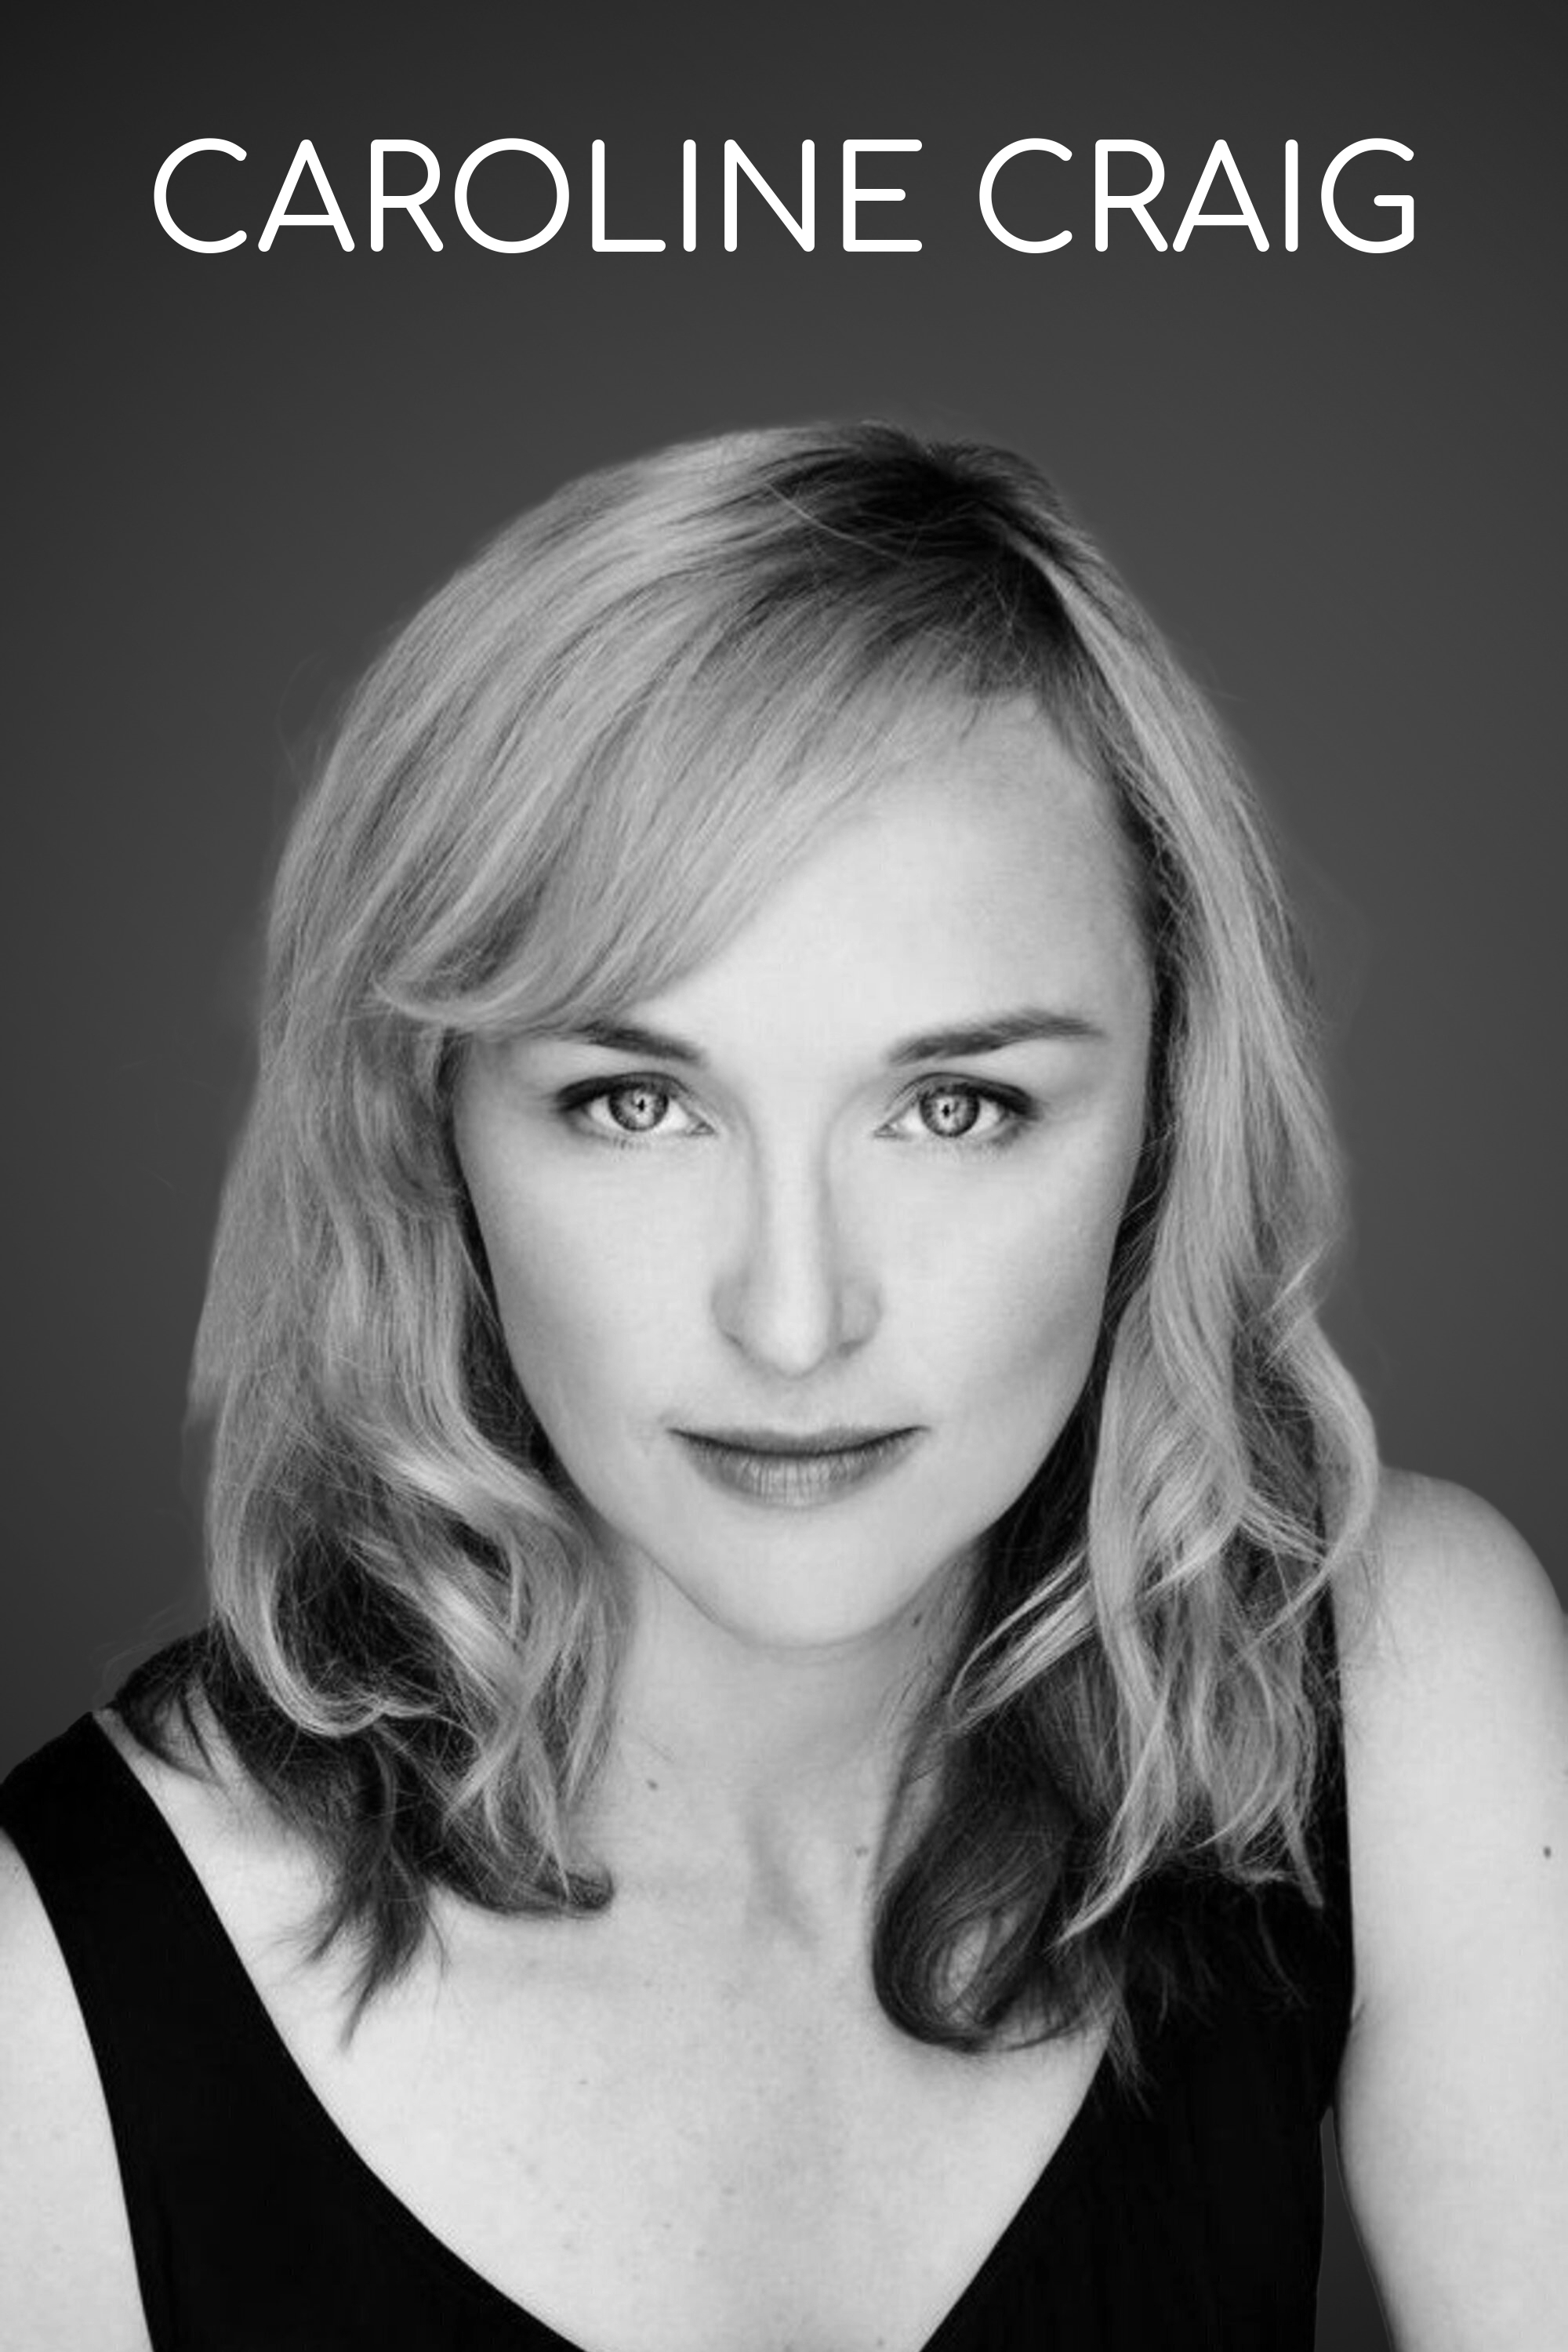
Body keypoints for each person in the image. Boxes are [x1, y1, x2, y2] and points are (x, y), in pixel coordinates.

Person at [2, 423, 1563, 2352]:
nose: (796, 1319)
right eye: (635, 1104)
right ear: (430, 1128)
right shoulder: (41, 2014)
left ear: (1168, 1114)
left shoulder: (1396, 1688)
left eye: (955, 1106)